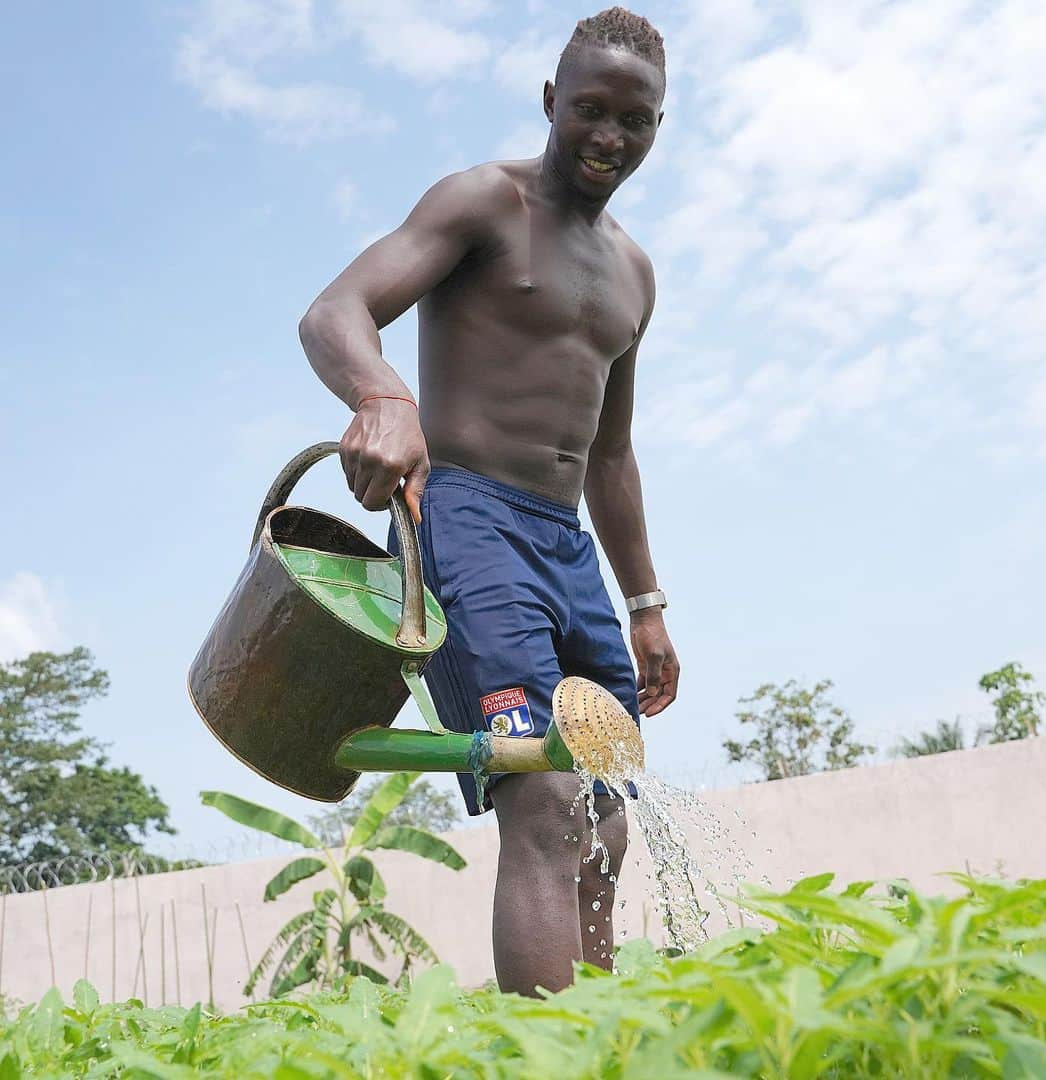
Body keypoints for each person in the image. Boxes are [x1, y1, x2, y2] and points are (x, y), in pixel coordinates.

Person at [298, 7, 679, 996]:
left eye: (632, 122)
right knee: (543, 795)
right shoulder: (482, 201)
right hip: (464, 520)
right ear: (552, 102)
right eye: (589, 110)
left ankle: (603, 1043)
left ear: (656, 128)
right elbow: (335, 311)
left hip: (570, 552)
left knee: (605, 816)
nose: (608, 137)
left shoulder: (635, 274)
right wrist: (383, 398)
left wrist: (645, 604)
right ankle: (549, 1059)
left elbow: (613, 454)